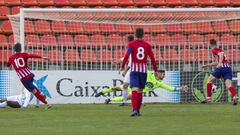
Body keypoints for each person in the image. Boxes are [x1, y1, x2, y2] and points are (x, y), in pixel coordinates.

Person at [120, 28, 158, 116]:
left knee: (134, 90)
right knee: (140, 91)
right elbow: (153, 59)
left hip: (134, 71)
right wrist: (155, 70)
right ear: (143, 35)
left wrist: (122, 66)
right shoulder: (147, 45)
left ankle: (134, 110)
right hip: (143, 71)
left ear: (135, 35)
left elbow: (126, 56)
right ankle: (138, 110)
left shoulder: (131, 44)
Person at [95, 70, 188, 104]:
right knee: (116, 88)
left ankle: (110, 100)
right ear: (158, 73)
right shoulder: (148, 73)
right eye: (163, 74)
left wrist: (179, 88)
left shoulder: (159, 83)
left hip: (136, 90)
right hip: (132, 84)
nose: (164, 76)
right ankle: (102, 92)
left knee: (127, 97)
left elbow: (169, 88)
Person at [7, 43, 51, 108]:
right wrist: (42, 57)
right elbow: (32, 55)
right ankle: (41, 94)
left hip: (24, 78)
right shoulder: (24, 54)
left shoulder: (11, 58)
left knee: (34, 92)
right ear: (20, 49)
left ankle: (47, 103)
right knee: (34, 89)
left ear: (14, 49)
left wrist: (11, 65)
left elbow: (8, 65)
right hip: (29, 75)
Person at [95, 35, 134, 105]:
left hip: (135, 71)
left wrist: (124, 70)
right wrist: (119, 61)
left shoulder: (132, 48)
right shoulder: (131, 48)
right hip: (132, 71)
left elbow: (130, 61)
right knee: (123, 87)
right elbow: (126, 58)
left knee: (133, 91)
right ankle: (124, 102)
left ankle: (139, 102)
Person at [202, 39, 238, 105]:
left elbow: (221, 54)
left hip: (221, 68)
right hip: (228, 68)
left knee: (209, 80)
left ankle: (208, 98)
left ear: (210, 44)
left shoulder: (214, 50)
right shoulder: (219, 49)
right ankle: (235, 96)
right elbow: (216, 62)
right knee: (228, 85)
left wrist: (220, 63)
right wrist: (207, 65)